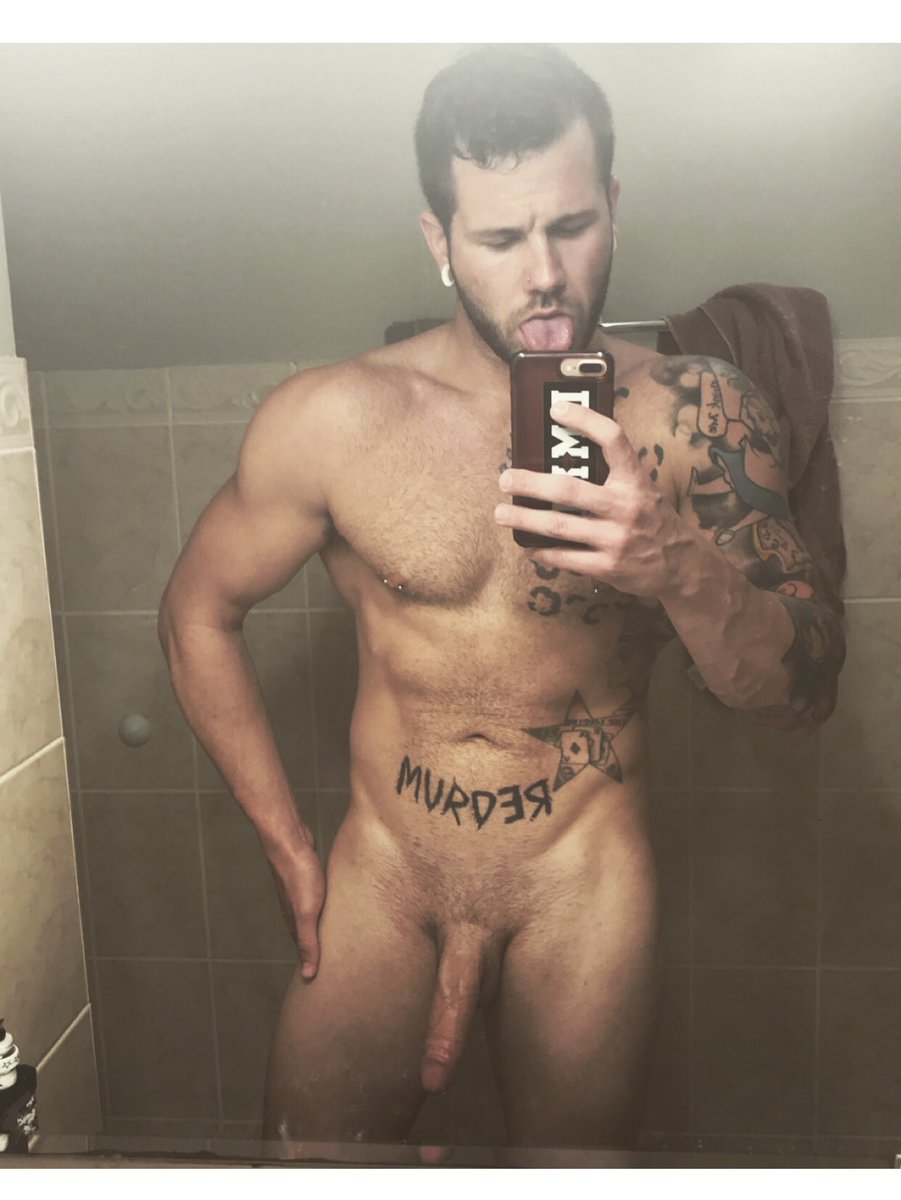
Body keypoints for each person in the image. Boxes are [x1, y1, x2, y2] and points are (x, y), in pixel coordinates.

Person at [157, 44, 846, 1158]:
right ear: (438, 241)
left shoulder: (693, 416)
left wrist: (673, 562)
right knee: (308, 1169)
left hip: (583, 885)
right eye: (498, 239)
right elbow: (195, 612)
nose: (544, 276)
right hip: (384, 878)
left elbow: (803, 696)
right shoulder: (331, 420)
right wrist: (288, 843)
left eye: (571, 226)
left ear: (613, 203)